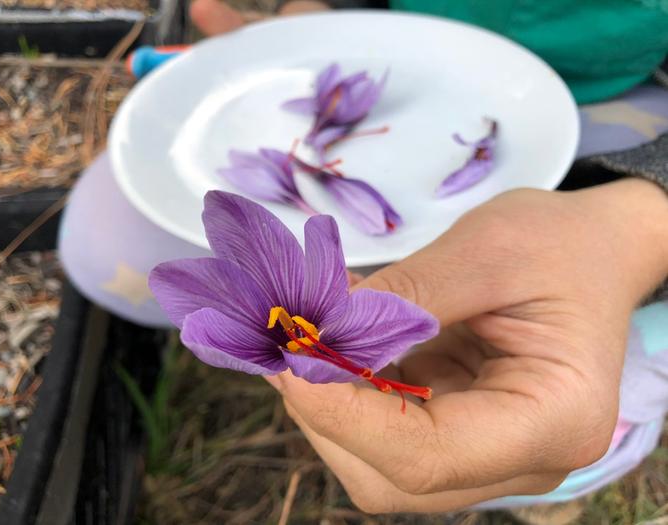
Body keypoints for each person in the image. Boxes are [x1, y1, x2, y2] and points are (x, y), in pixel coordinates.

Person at [59, 1, 668, 522]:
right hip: (401, 64)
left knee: (612, 327)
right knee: (107, 250)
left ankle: (607, 408)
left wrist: (640, 217)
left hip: (619, 102)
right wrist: (321, 15)